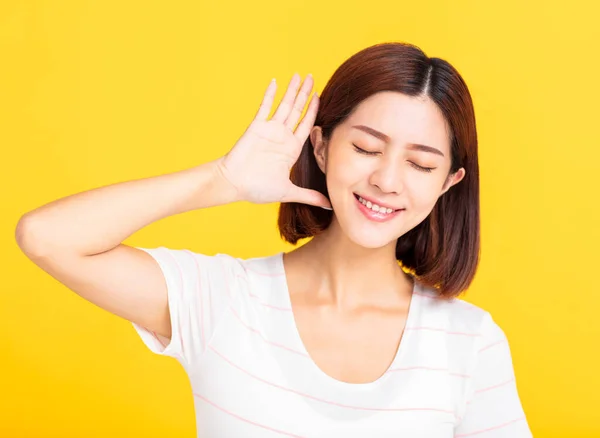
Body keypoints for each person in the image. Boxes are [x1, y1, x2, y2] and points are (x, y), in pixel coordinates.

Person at [16, 42, 532, 437]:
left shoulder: (470, 343)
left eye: (420, 164)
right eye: (367, 148)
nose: (388, 180)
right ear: (322, 146)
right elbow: (46, 237)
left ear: (448, 184)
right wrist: (222, 180)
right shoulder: (224, 299)